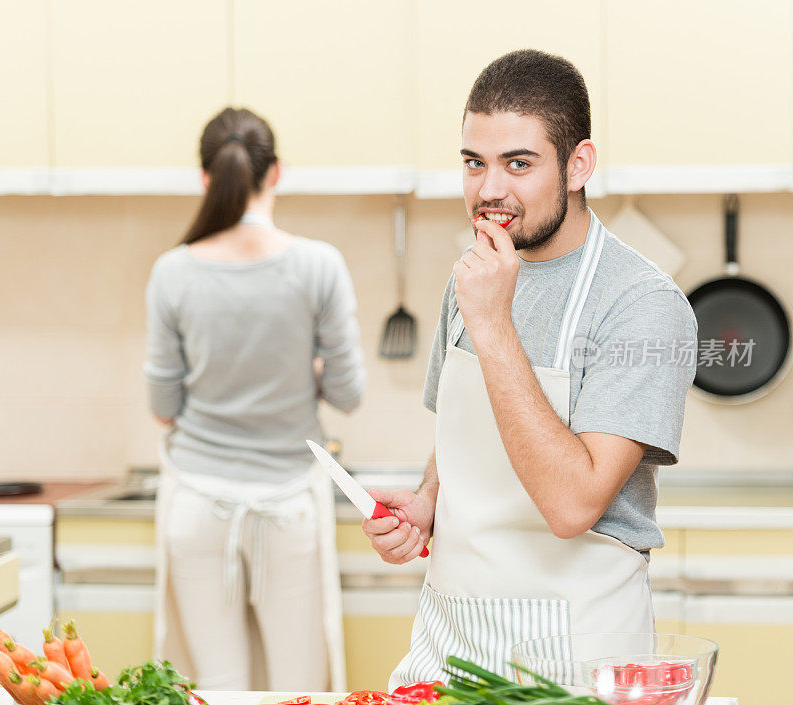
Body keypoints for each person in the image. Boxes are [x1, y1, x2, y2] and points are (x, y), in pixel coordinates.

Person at [361, 50, 698, 685]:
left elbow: (573, 506)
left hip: (576, 655)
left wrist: (493, 323)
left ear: (579, 164)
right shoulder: (474, 274)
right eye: (474, 163)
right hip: (449, 638)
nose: (489, 190)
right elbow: (466, 433)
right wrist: (428, 500)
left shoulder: (641, 306)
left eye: (519, 163)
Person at [143, 107, 364, 691]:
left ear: (204, 178)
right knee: (298, 691)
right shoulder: (320, 266)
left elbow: (163, 406)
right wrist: (304, 369)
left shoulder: (172, 273)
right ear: (277, 173)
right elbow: (348, 392)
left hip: (197, 504)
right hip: (288, 504)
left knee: (215, 689)